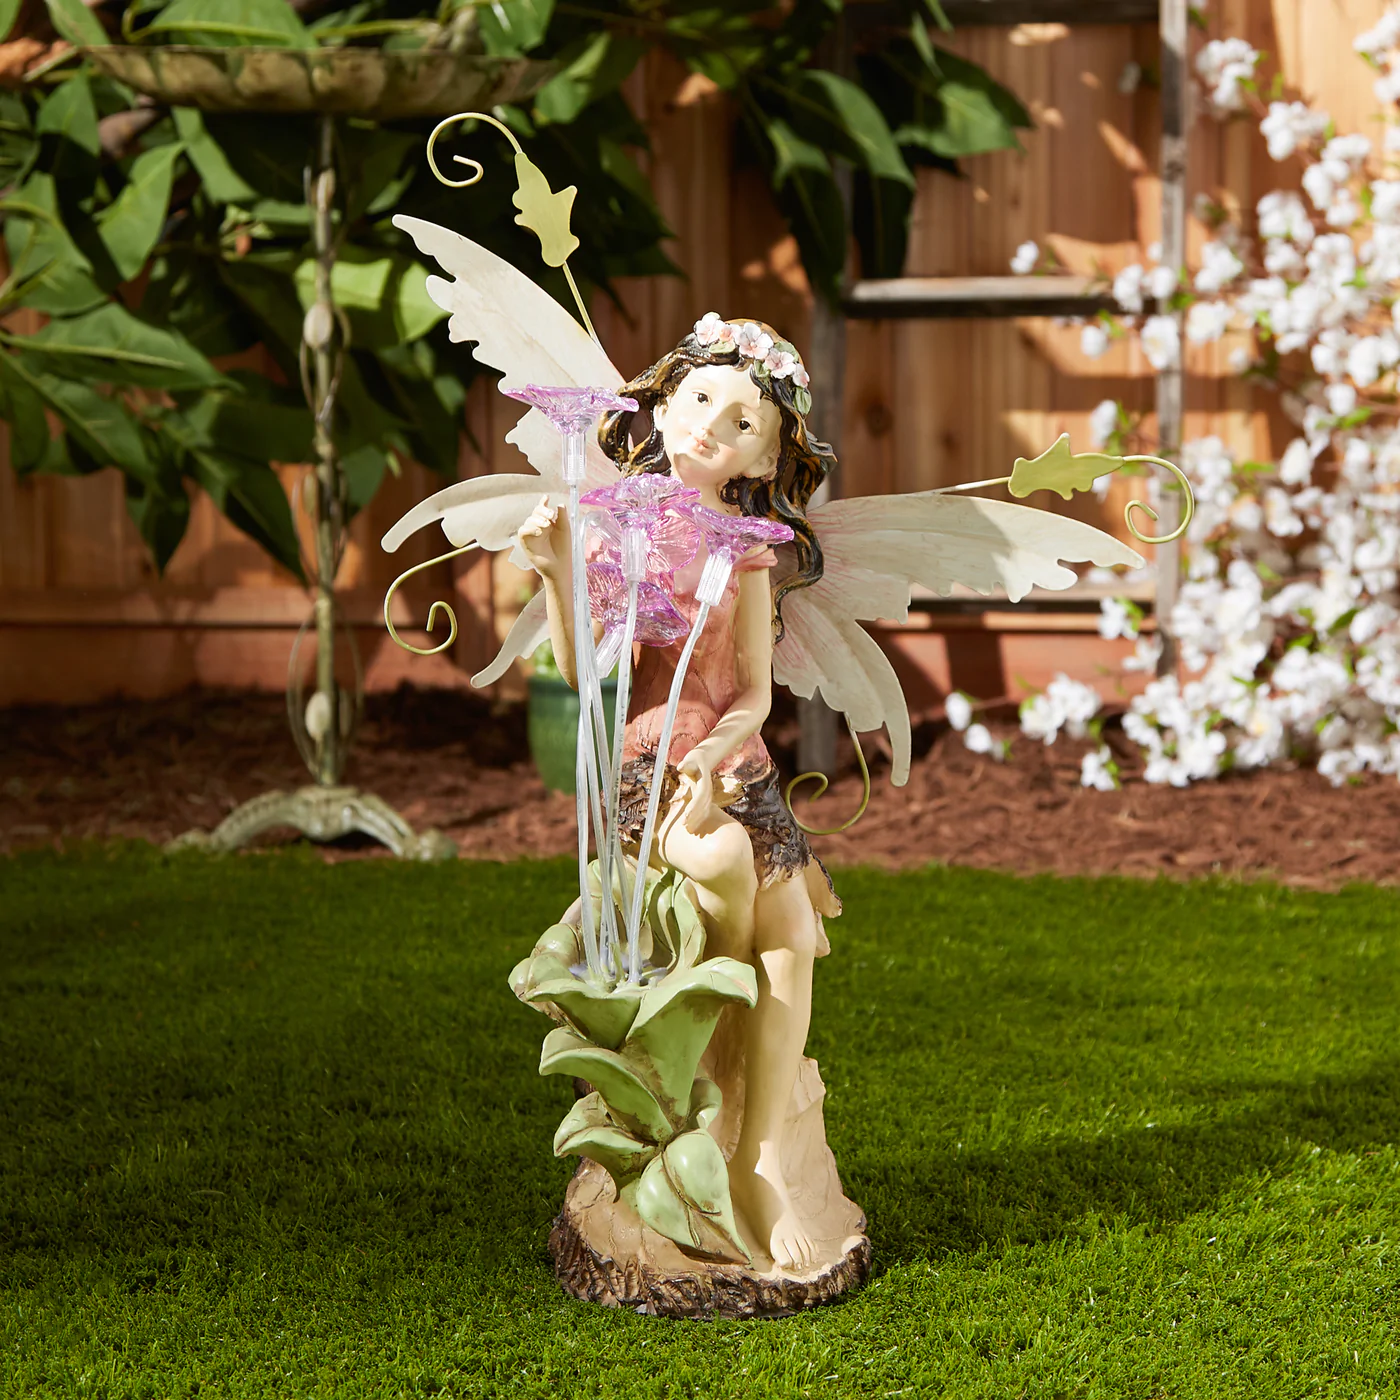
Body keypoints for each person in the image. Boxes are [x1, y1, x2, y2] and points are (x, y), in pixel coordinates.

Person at [515, 318, 842, 1273]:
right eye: (698, 400)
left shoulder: (746, 548)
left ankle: (762, 1155)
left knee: (795, 931)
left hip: (735, 765)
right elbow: (587, 675)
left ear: (765, 459)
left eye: (744, 423)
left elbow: (755, 692)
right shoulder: (619, 524)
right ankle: (710, 1043)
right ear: (658, 409)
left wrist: (725, 755)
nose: (711, 426)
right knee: (723, 859)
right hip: (647, 769)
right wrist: (555, 572)